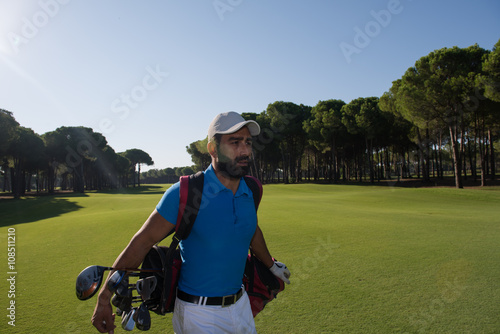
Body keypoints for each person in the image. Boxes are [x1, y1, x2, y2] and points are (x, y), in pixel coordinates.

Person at [91, 111, 291, 334]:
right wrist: (104, 296)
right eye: (235, 142)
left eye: (248, 142)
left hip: (241, 306)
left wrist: (271, 265)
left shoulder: (251, 190)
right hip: (198, 314)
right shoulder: (186, 193)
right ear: (213, 149)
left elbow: (251, 229)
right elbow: (141, 242)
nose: (244, 151)